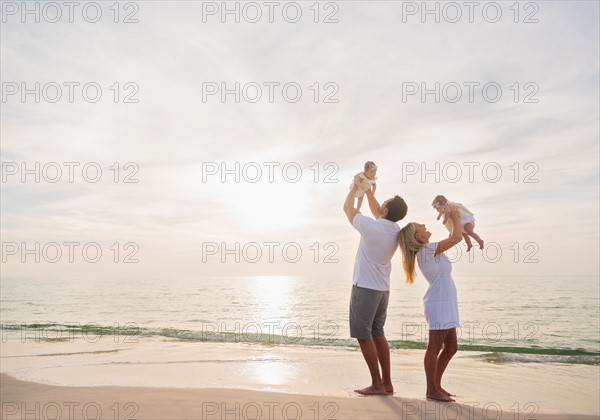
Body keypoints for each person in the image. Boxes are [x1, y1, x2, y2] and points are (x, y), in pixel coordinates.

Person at [343, 174, 407, 395]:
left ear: (386, 211)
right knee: (378, 332)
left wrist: (354, 188)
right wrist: (369, 192)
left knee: (363, 334)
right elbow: (377, 212)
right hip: (382, 290)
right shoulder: (394, 229)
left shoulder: (372, 227)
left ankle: (377, 384)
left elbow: (346, 208)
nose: (381, 204)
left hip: (365, 288)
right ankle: (387, 383)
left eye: (384, 203)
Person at [398, 205, 463, 402]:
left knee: (451, 347)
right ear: (417, 237)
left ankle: (436, 386)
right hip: (439, 303)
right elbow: (457, 237)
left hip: (446, 303)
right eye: (420, 226)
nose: (424, 225)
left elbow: (453, 233)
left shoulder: (430, 249)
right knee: (434, 347)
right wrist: (455, 215)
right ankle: (431, 390)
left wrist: (448, 217)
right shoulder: (426, 250)